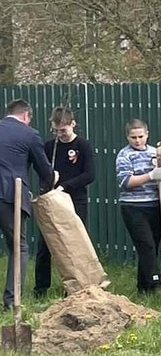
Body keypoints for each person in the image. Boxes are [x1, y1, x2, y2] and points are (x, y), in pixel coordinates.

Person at [0, 99, 57, 310]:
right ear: (26, 116)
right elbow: (45, 170)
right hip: (9, 195)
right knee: (18, 247)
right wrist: (51, 179)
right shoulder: (29, 133)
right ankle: (11, 301)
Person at [34, 106, 97, 298]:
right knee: (45, 246)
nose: (60, 134)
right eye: (56, 130)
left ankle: (75, 286)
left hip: (74, 199)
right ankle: (41, 288)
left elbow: (89, 175)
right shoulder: (49, 146)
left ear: (73, 124)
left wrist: (66, 186)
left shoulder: (82, 145)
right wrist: (49, 182)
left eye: (63, 130)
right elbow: (43, 172)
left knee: (74, 244)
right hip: (51, 199)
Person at [115, 118, 161, 294]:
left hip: (155, 205)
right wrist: (151, 176)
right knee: (146, 245)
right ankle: (155, 283)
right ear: (127, 137)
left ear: (147, 134)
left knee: (153, 246)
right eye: (133, 137)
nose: (137, 141)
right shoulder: (124, 155)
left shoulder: (155, 153)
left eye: (140, 136)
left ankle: (143, 288)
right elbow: (126, 181)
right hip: (133, 207)